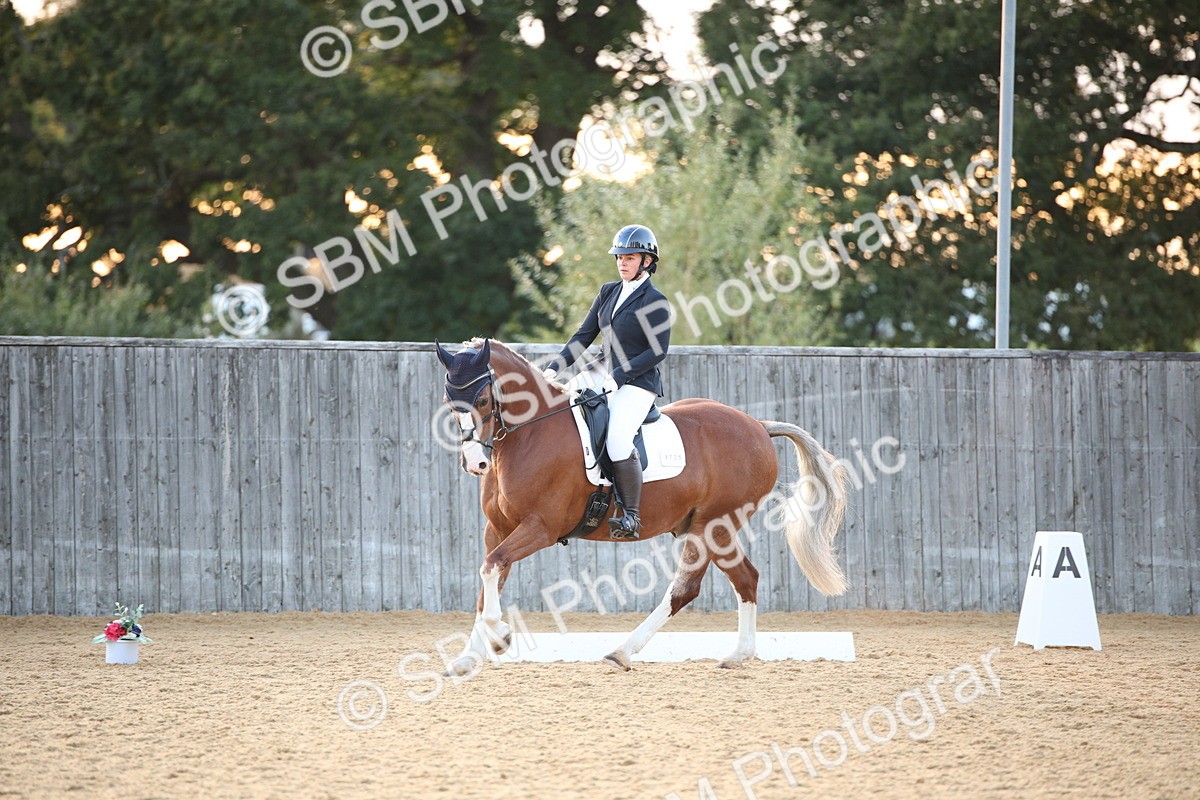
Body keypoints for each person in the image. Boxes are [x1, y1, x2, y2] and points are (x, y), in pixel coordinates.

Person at [542, 224, 671, 540]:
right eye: (619, 258)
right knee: (563, 414)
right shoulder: (608, 292)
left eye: (629, 258)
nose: (622, 263)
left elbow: (657, 351)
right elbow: (583, 336)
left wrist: (620, 377)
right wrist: (554, 369)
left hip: (638, 382)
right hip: (602, 371)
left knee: (617, 440)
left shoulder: (655, 301)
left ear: (646, 261)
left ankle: (631, 516)